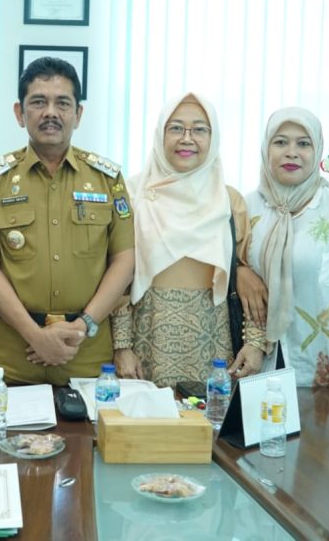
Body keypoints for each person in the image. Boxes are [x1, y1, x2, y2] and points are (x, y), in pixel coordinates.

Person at [0, 57, 135, 385]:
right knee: (2, 435)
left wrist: (82, 326)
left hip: (87, 353)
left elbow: (124, 261)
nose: (50, 112)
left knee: (89, 438)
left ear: (78, 114)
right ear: (20, 113)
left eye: (62, 103)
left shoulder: (108, 179)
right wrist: (34, 335)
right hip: (12, 354)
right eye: (38, 102)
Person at [110, 92, 268, 387]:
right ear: (160, 135)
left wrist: (255, 344)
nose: (187, 138)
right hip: (146, 343)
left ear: (214, 138)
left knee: (209, 430)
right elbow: (117, 278)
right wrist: (122, 346)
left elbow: (251, 279)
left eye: (199, 129)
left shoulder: (229, 201)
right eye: (176, 128)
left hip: (214, 351)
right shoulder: (132, 196)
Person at [243, 107, 329, 411]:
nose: (291, 153)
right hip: (257, 371)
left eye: (303, 144)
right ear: (266, 148)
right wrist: (240, 271)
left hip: (324, 379)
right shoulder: (247, 208)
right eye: (280, 142)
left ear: (317, 150)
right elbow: (228, 268)